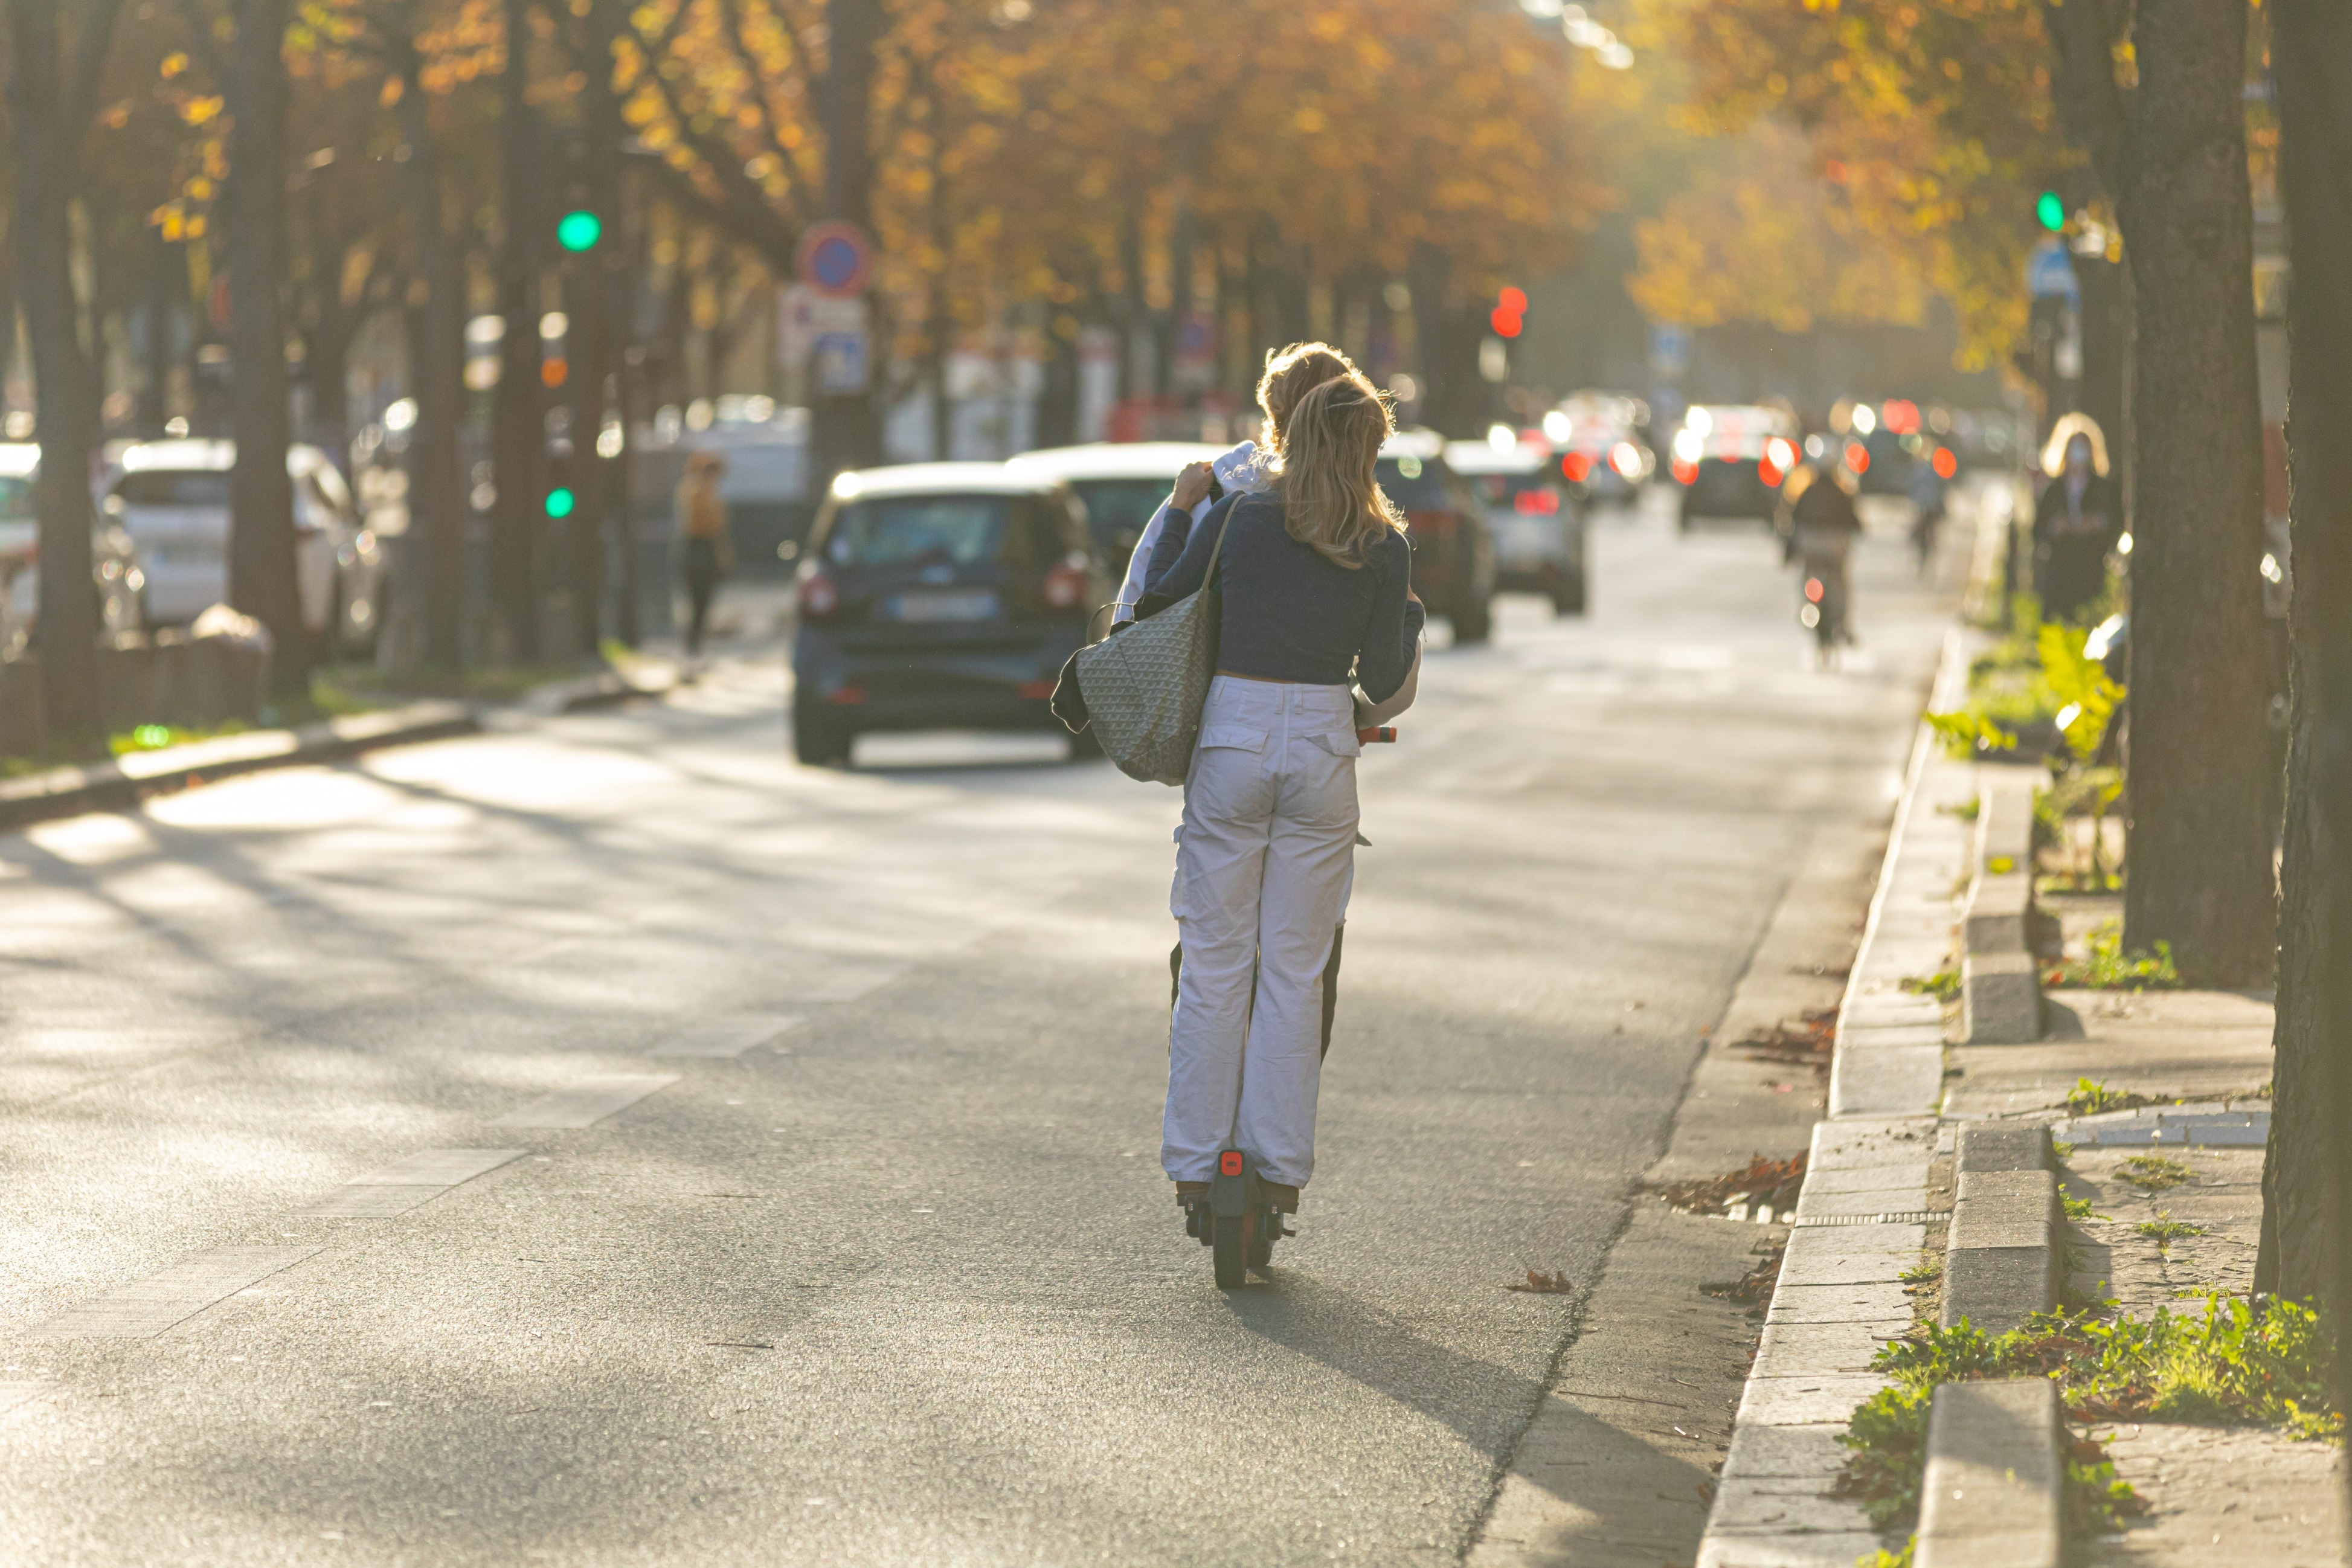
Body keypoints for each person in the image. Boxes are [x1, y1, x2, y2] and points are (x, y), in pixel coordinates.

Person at [1142, 369, 1424, 1224]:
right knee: (1295, 971)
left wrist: (1180, 512)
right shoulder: (1381, 543)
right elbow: (1383, 679)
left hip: (1234, 731)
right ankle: (1274, 1169)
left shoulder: (1240, 518)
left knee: (1215, 962)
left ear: (1292, 434)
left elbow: (1159, 603)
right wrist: (1405, 614)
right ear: (1369, 450)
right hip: (1321, 747)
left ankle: (1198, 1165)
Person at [1111, 342, 1355, 626]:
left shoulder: (1206, 494)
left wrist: (1178, 507)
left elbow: (1141, 603)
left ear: (1274, 410)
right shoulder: (1352, 518)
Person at [2032, 413, 2121, 623]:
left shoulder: (2104, 489)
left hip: (2093, 571)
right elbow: (2038, 531)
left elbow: (2116, 524)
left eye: (2083, 446)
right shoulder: (2054, 491)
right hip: (2060, 575)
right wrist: (2056, 527)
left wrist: (2096, 524)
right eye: (2074, 446)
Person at [1790, 458, 1863, 657]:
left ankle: (1807, 608)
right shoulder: (1841, 491)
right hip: (1834, 545)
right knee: (1840, 581)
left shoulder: (1807, 491)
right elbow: (1854, 520)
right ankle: (1843, 624)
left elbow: (1793, 518)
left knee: (1808, 575)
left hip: (1810, 543)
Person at [675, 451, 733, 658]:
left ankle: (695, 645)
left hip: (703, 548)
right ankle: (692, 645)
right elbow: (710, 527)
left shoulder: (706, 493)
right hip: (698, 547)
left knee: (703, 601)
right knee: (698, 600)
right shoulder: (696, 492)